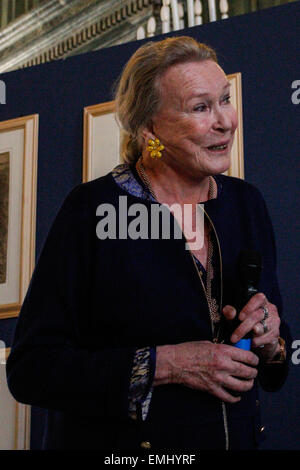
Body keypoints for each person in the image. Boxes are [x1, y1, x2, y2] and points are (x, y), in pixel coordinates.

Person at [6, 36, 287, 451]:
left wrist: (270, 341)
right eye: (200, 107)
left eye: (224, 99)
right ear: (149, 128)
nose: (225, 120)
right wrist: (167, 365)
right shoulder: (91, 210)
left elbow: (276, 367)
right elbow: (32, 369)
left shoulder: (246, 204)